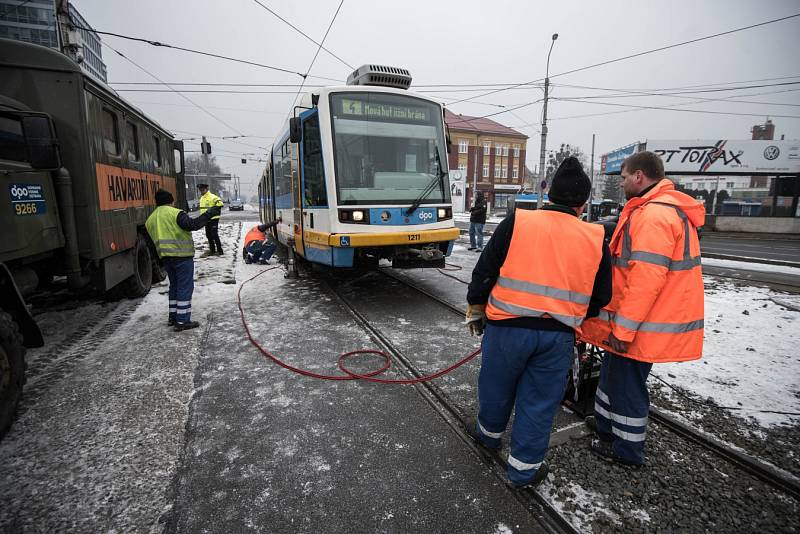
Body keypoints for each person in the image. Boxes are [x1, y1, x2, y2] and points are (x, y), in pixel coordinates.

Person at [465, 157, 612, 489]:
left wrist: (476, 306)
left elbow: (485, 270)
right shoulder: (594, 237)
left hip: (506, 329)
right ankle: (523, 470)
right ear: (583, 202)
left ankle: (488, 438)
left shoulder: (518, 222)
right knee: (539, 402)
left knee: (496, 387)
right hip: (557, 337)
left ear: (550, 195)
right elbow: (602, 296)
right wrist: (571, 315)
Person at [581, 151, 705, 468]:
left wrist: (623, 330)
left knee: (626, 384)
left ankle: (627, 450)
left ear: (639, 176)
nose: (621, 184)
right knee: (611, 375)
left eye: (623, 177)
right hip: (635, 322)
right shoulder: (652, 210)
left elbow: (645, 279)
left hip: (640, 326)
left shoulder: (655, 216)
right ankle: (607, 427)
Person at [145, 189, 221, 331]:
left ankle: (173, 317)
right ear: (171, 201)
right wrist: (210, 213)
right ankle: (182, 321)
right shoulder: (175, 213)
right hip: (182, 257)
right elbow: (193, 225)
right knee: (185, 288)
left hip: (166, 259)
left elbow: (150, 244)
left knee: (174, 287)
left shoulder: (150, 219)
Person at [197, 183, 224, 257]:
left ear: (206, 189)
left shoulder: (212, 196)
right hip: (206, 219)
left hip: (213, 219)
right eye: (200, 190)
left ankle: (220, 251)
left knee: (214, 234)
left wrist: (212, 211)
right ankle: (212, 250)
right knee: (208, 235)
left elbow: (220, 203)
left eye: (202, 189)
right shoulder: (202, 198)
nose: (201, 191)